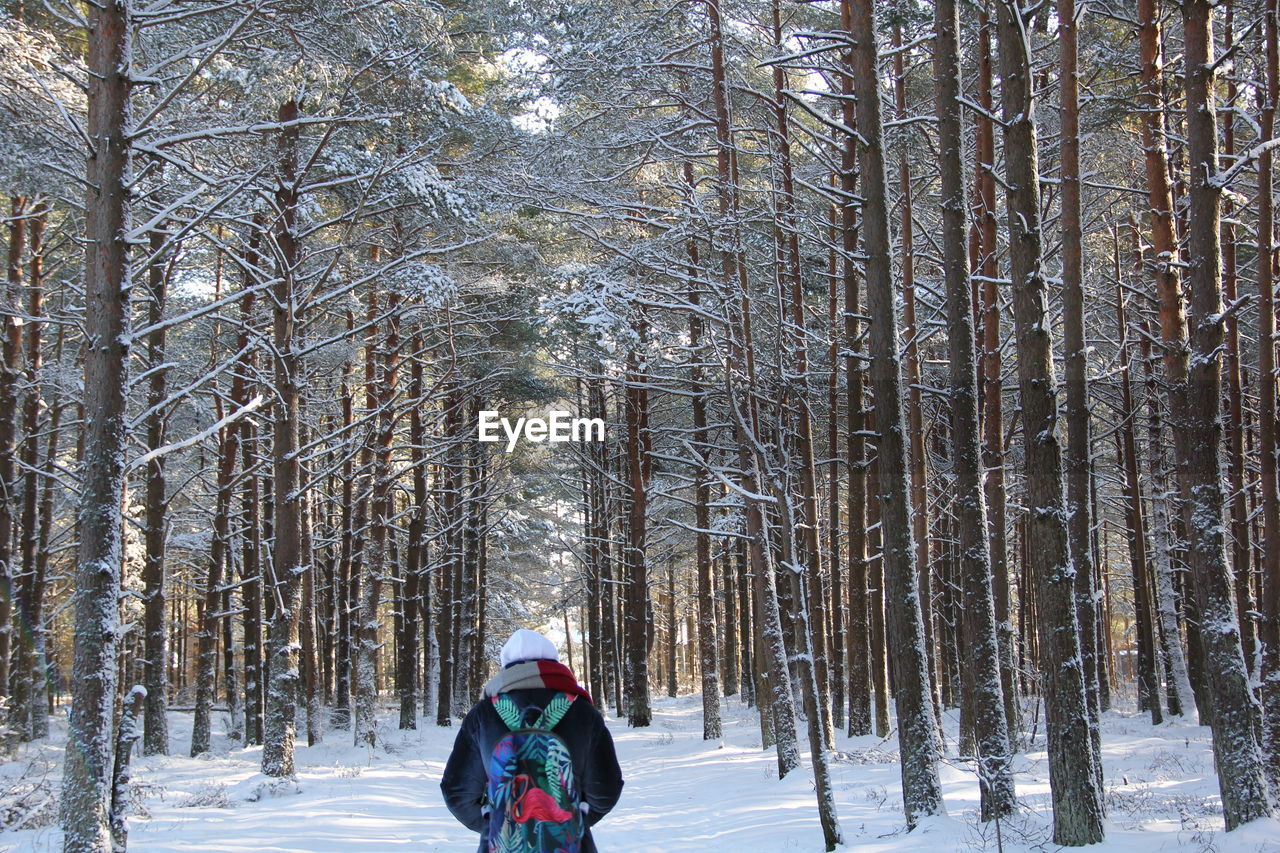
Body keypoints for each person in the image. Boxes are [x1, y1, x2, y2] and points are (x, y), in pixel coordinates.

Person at [441, 628, 623, 853]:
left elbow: (457, 791)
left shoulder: (483, 714)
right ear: (554, 663)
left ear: (506, 666)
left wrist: (497, 825)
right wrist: (570, 822)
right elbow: (605, 790)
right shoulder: (584, 712)